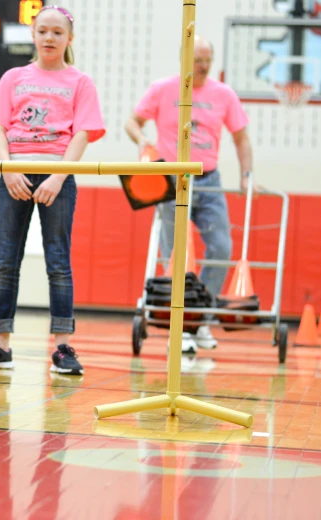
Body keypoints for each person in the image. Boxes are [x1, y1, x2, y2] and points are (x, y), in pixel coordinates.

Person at [0, 6, 105, 375]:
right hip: (15, 174)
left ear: (69, 39)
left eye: (58, 32)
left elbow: (83, 133)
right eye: (43, 31)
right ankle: (0, 345)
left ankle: (62, 347)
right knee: (6, 261)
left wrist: (59, 176)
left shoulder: (80, 81)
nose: (49, 38)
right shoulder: (14, 77)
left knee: (59, 262)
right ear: (33, 34)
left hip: (59, 174)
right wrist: (8, 169)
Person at [124, 35, 253, 352]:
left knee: (221, 248)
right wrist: (142, 140)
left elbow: (241, 138)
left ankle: (199, 320)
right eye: (198, 59)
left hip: (209, 180)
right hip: (172, 179)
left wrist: (247, 175)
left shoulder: (223, 94)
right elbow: (132, 121)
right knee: (175, 257)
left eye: (208, 59)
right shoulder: (163, 88)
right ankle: (177, 328)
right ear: (184, 58)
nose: (204, 65)